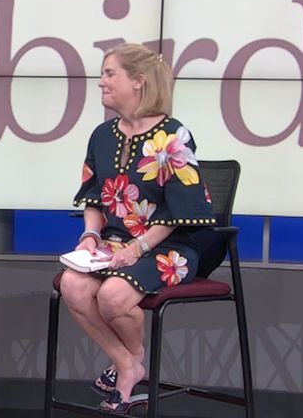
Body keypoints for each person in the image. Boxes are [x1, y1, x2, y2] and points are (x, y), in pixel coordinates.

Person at [60, 43, 215, 414]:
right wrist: (90, 236)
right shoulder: (102, 135)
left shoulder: (173, 137)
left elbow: (180, 211)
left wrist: (137, 248)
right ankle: (128, 364)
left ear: (138, 81)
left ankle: (129, 364)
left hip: (168, 247)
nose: (101, 82)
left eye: (110, 74)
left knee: (113, 296)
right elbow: (94, 197)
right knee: (72, 284)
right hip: (115, 244)